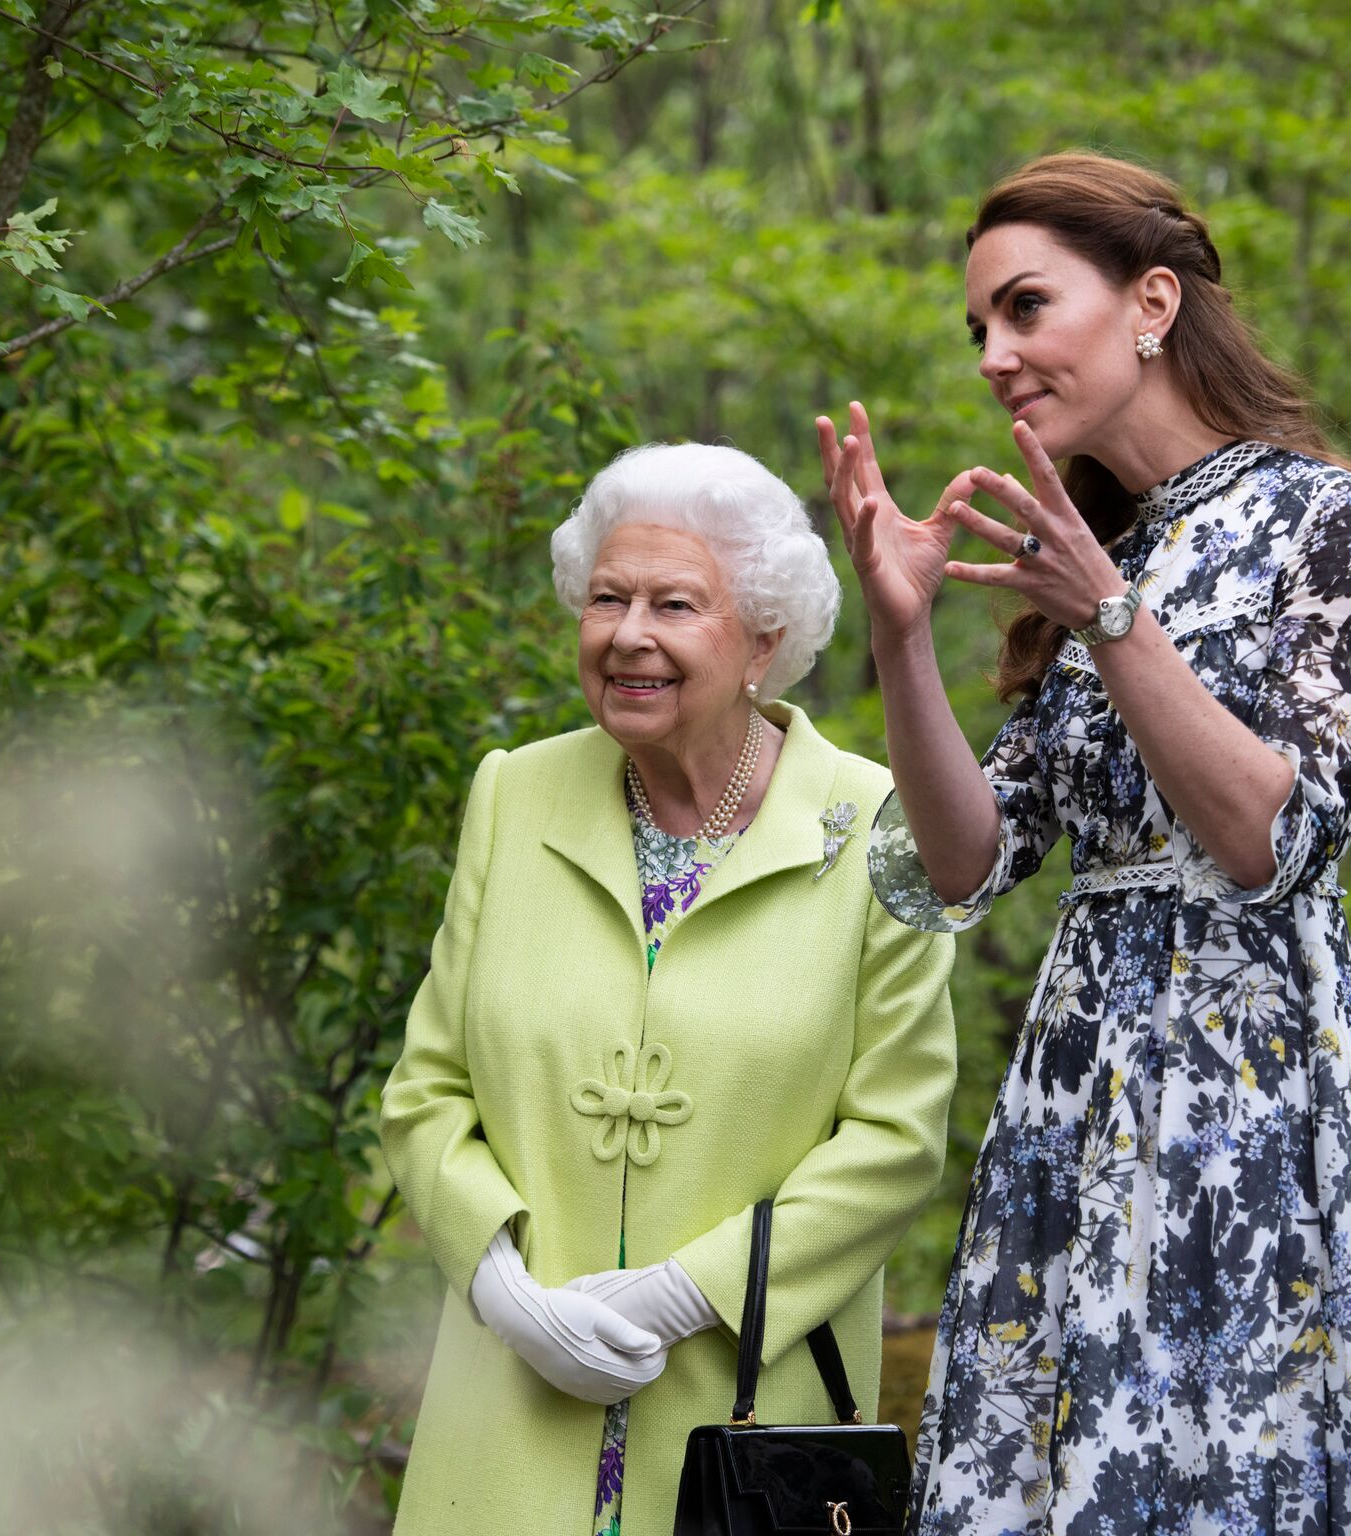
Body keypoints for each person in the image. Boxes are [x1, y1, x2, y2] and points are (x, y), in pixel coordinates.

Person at [820, 152, 1351, 1535]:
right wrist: (901, 631)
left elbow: (1269, 838)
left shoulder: (1329, 521)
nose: (993, 354)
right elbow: (965, 864)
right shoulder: (1097, 551)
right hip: (1075, 1085)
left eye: (1025, 308)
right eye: (976, 328)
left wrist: (1113, 617)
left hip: (1243, 1106)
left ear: (1152, 301)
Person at [379, 442, 958, 1536]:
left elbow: (896, 1138)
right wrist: (505, 1292)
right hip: (510, 1410)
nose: (627, 634)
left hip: (740, 1434)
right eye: (607, 598)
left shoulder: (878, 822)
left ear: (764, 640)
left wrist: (680, 1293)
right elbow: (426, 1090)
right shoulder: (514, 795)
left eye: (674, 603)